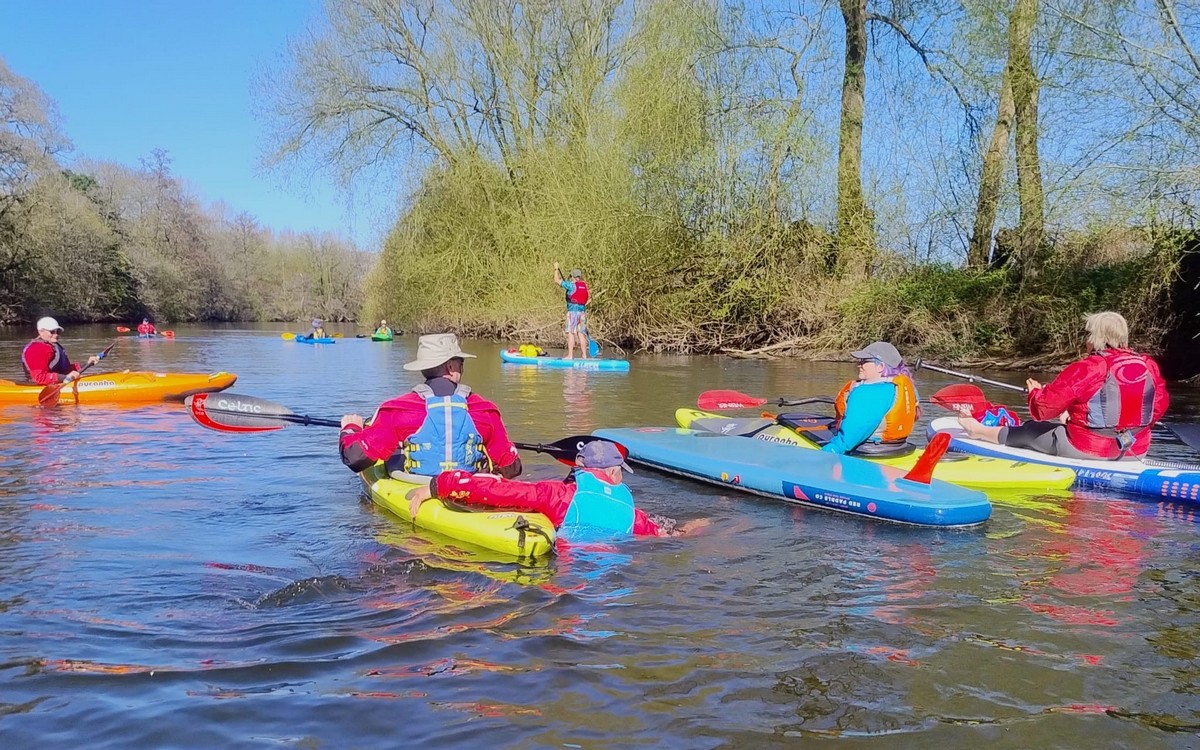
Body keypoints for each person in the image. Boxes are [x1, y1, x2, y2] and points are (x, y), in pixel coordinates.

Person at [956, 311, 1169, 459]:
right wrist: (1075, 417)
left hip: (1088, 449)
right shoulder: (1148, 365)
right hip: (1135, 448)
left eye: (1087, 334)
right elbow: (1156, 410)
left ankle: (977, 431)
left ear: (1094, 338)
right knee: (1061, 424)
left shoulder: (1088, 367)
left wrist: (1035, 393)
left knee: (1031, 429)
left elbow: (1043, 410)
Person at [407, 440, 706, 540]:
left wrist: (437, 485)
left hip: (566, 581)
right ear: (613, 473)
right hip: (613, 592)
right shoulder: (635, 517)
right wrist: (691, 529)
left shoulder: (557, 495)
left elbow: (497, 493)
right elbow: (666, 535)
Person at [339, 333, 523, 478]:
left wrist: (351, 429)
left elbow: (355, 457)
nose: (462, 368)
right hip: (468, 490)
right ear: (451, 367)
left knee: (394, 456)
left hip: (417, 485)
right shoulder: (485, 409)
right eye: (461, 363)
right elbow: (512, 468)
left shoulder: (397, 409)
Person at [821, 341, 919, 455]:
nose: (859, 365)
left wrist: (825, 454)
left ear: (880, 366)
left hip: (868, 452)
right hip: (898, 447)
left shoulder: (868, 393)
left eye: (864, 361)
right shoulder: (907, 387)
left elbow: (850, 437)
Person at [21, 317, 101, 386]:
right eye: (52, 332)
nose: (56, 335)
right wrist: (65, 377)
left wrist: (87, 363)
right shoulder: (35, 349)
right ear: (40, 332)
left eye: (57, 332)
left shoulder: (52, 346)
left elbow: (65, 369)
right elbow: (39, 378)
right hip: (39, 387)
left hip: (57, 382)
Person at [553, 262, 589, 360]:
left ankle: (570, 355)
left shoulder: (570, 285)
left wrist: (556, 269)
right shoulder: (585, 285)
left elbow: (556, 280)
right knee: (581, 333)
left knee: (571, 333)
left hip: (572, 312)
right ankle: (584, 355)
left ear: (572, 276)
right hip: (582, 313)